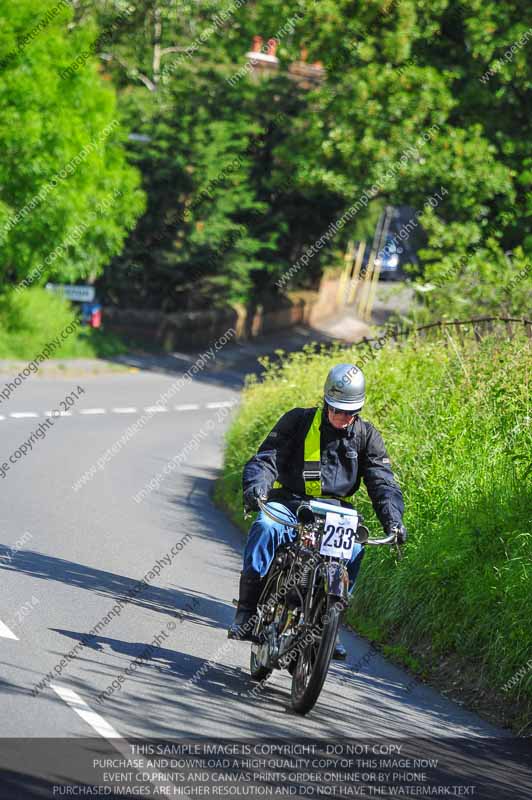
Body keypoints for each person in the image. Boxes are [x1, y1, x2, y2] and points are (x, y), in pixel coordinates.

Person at [227, 363, 407, 659]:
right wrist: (256, 488)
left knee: (355, 550)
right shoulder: (298, 421)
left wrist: (394, 521)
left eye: (350, 412)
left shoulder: (367, 436)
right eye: (337, 410)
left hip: (336, 514)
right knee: (265, 527)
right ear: (326, 402)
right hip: (291, 502)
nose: (343, 418)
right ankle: (246, 611)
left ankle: (328, 626)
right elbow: (266, 459)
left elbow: (382, 482)